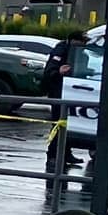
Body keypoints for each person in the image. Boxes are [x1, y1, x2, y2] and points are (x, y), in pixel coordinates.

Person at [42, 28, 88, 169]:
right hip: (58, 92)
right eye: (79, 43)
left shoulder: (81, 53)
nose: (81, 46)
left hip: (72, 91)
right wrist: (58, 72)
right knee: (59, 123)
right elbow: (50, 71)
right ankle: (53, 155)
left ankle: (66, 153)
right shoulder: (61, 50)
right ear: (72, 41)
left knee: (68, 124)